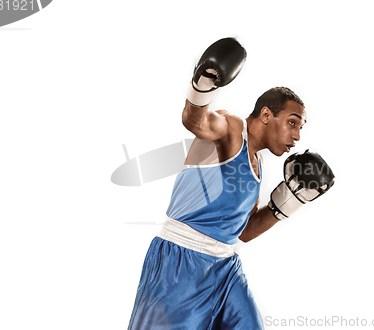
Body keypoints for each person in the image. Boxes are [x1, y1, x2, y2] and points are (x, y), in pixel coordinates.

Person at [127, 38, 335, 330]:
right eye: (292, 122)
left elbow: (245, 232)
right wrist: (203, 85)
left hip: (224, 268)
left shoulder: (257, 166)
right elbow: (195, 121)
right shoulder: (232, 129)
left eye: (301, 127)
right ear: (266, 114)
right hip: (181, 263)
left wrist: (291, 199)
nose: (297, 136)